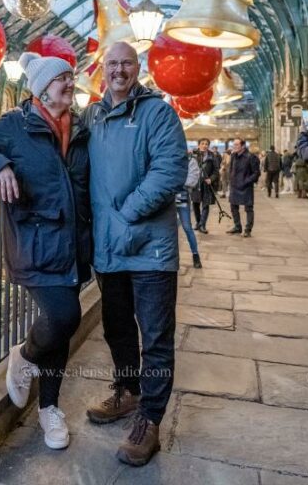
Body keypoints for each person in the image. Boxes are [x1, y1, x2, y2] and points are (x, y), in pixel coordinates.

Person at [0, 51, 92, 451]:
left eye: (71, 78)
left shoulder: (80, 128)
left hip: (73, 246)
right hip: (35, 245)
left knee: (63, 326)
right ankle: (25, 356)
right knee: (65, 315)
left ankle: (49, 409)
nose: (70, 84)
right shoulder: (16, 126)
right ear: (41, 89)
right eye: (61, 79)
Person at [82, 41, 187, 468]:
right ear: (102, 70)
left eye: (126, 63)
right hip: (109, 248)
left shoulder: (158, 113)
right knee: (117, 328)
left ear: (137, 67)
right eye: (112, 64)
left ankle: (150, 418)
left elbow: (170, 169)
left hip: (149, 249)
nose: (119, 70)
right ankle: (128, 393)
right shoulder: (92, 116)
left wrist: (127, 213)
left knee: (156, 336)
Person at [226, 137, 261, 237]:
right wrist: (231, 179)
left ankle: (248, 230)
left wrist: (246, 181)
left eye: (237, 145)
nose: (234, 146)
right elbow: (231, 169)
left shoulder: (251, 157)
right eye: (234, 144)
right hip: (234, 186)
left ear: (243, 146)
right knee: (233, 207)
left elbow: (256, 173)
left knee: (248, 208)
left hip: (245, 187)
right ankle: (237, 227)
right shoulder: (233, 155)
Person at [176, 153, 202, 268]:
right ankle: (171, 257)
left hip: (181, 197)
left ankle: (195, 255)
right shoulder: (167, 156)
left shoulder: (191, 160)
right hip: (166, 198)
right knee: (168, 229)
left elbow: (191, 180)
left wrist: (173, 182)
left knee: (187, 227)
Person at [191, 139, 218, 234]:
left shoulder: (212, 156)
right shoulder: (194, 155)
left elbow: (216, 171)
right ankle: (198, 222)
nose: (204, 145)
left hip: (207, 184)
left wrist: (211, 179)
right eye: (202, 144)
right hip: (195, 184)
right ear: (198, 145)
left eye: (206, 144)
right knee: (195, 204)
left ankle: (202, 225)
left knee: (205, 204)